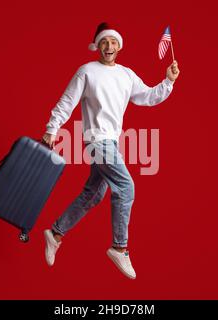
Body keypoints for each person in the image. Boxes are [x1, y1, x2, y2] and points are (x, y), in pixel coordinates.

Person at [41, 22, 179, 279]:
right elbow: (66, 102)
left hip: (111, 142)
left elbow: (147, 97)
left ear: (119, 46)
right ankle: (120, 247)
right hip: (96, 140)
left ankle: (56, 233)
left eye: (113, 42)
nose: (109, 46)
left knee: (93, 194)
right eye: (104, 42)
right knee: (126, 187)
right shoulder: (87, 72)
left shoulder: (126, 75)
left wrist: (167, 82)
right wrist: (52, 128)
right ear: (98, 46)